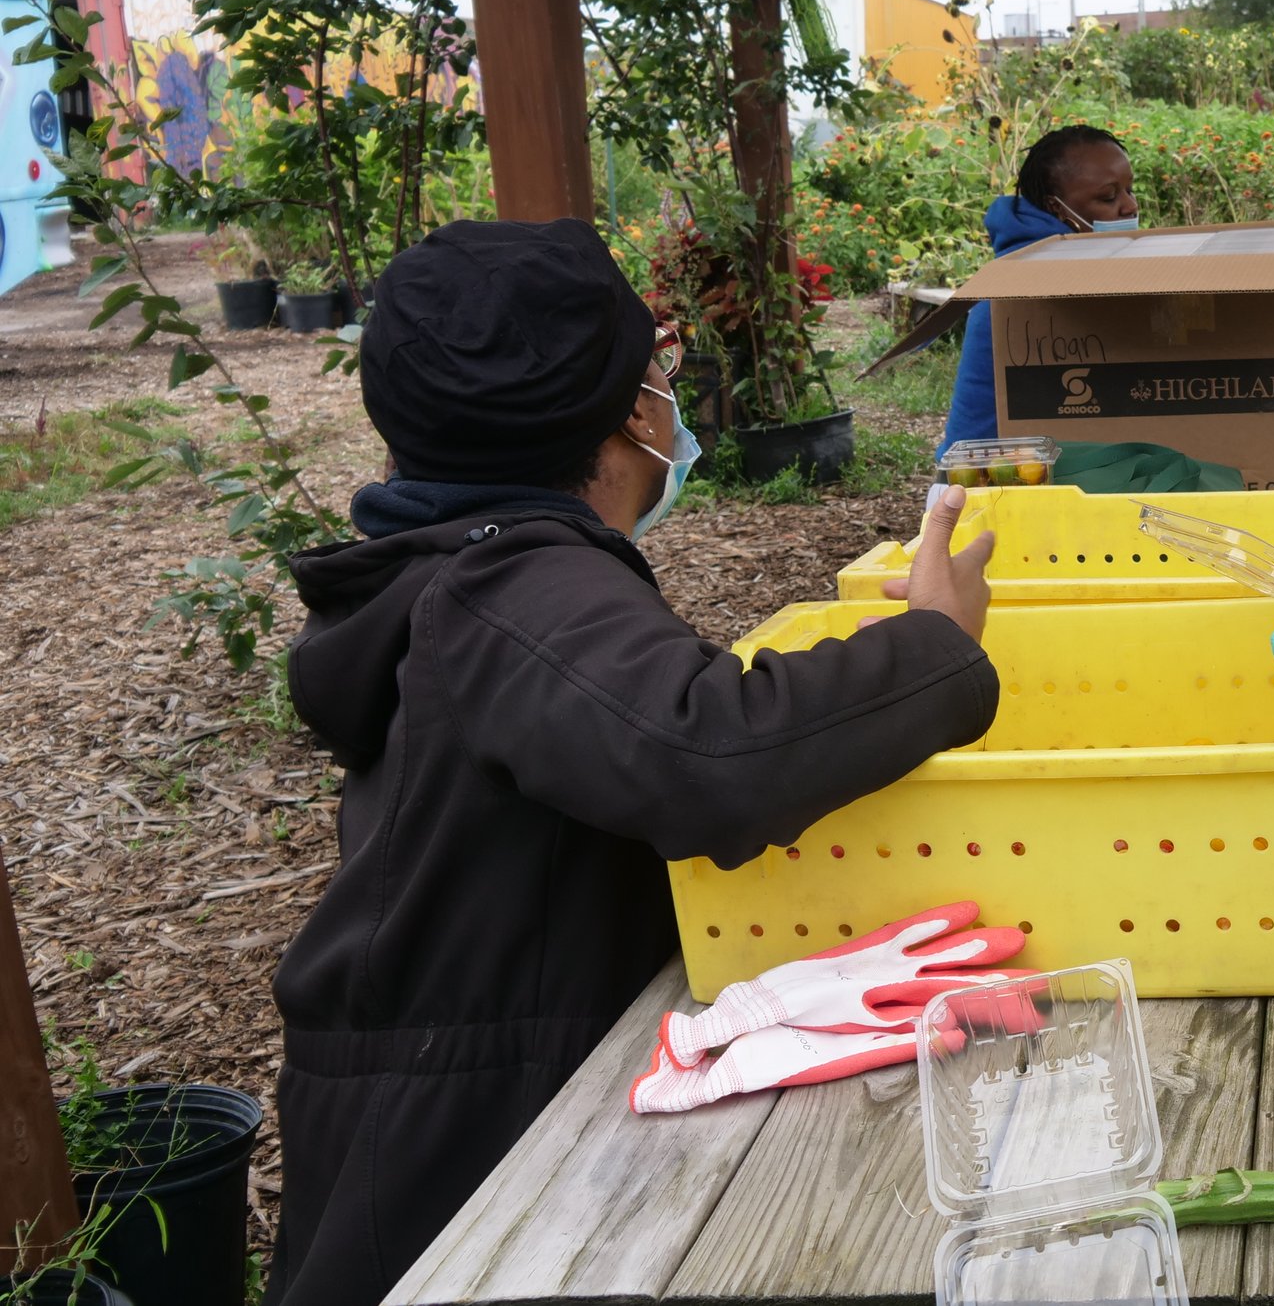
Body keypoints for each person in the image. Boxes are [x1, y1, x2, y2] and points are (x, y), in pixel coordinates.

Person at [271, 218, 1001, 1306]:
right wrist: (934, 642)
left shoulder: (465, 566)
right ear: (626, 413)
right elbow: (706, 749)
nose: (672, 397)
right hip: (459, 1124)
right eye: (655, 368)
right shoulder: (514, 586)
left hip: (441, 1063)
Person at [940, 124, 1135, 451]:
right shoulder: (1026, 286)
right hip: (989, 479)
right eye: (1109, 196)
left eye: (1131, 190)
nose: (1130, 207)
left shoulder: (1087, 266)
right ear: (1058, 208)